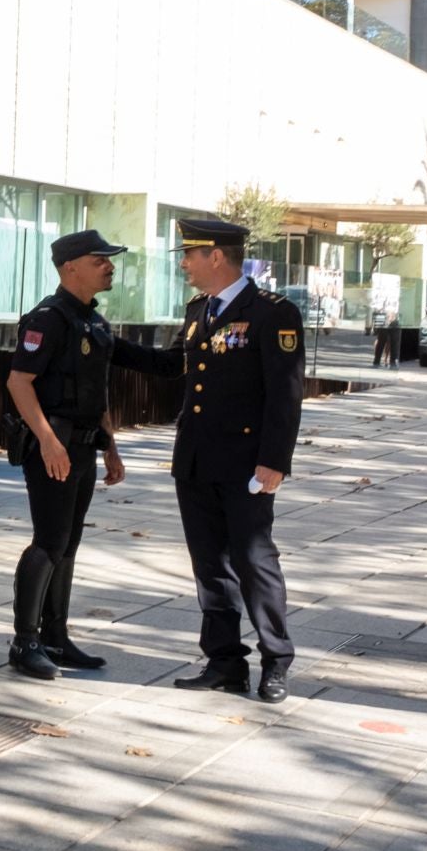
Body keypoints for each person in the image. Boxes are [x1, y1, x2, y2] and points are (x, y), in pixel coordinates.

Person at [3, 230, 176, 679]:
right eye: (100, 259)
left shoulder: (94, 323)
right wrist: (46, 440)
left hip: (81, 447)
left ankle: (55, 636)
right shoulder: (48, 318)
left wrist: (111, 449)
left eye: (109, 259)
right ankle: (25, 642)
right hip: (52, 448)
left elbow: (103, 390)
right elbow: (19, 383)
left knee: (69, 543)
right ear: (70, 267)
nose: (110, 266)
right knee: (49, 541)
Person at [165, 217, 304, 703]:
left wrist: (274, 461)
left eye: (189, 254)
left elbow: (284, 395)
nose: (184, 263)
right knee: (210, 567)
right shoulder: (198, 309)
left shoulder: (272, 312)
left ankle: (275, 661)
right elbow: (171, 365)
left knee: (253, 560)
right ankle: (224, 662)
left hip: (247, 463)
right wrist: (99, 340)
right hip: (197, 460)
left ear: (216, 256)